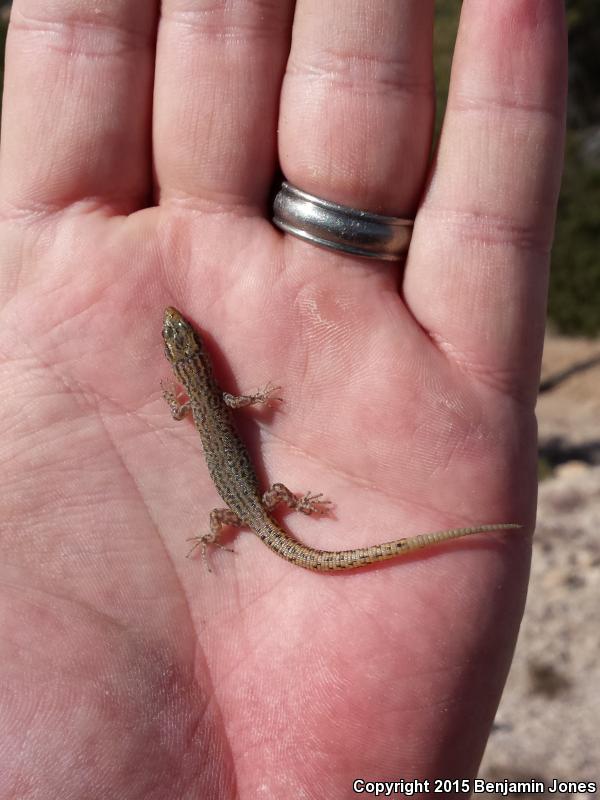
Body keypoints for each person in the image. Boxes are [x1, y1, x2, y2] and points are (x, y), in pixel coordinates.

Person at [0, 1, 567, 796]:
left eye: (179, 338)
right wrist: (251, 404)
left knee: (250, 514)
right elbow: (235, 407)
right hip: (254, 501)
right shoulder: (216, 396)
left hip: (248, 504)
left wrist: (229, 480)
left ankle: (259, 529)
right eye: (181, 337)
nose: (180, 337)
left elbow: (205, 412)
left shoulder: (200, 403)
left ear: (184, 359)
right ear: (193, 355)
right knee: (267, 513)